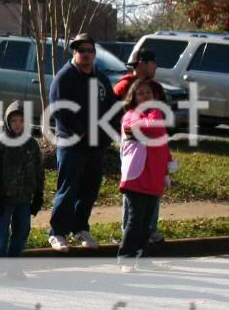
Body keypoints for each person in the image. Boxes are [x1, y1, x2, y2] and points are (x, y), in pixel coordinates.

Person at [46, 33, 118, 252]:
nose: (86, 54)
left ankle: (80, 228)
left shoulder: (102, 79)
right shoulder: (65, 77)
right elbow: (59, 110)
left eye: (89, 50)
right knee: (68, 189)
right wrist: (82, 132)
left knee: (89, 189)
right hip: (72, 144)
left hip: (97, 145)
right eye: (81, 50)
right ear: (74, 53)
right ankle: (57, 232)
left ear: (94, 54)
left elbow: (113, 108)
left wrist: (109, 133)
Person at [118, 79, 173, 270]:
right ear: (133, 97)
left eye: (148, 93)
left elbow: (162, 142)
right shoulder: (130, 116)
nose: (145, 96)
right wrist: (155, 113)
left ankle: (142, 257)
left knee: (147, 224)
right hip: (136, 176)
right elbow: (151, 127)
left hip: (154, 175)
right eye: (140, 93)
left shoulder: (153, 116)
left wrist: (167, 168)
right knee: (135, 220)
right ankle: (126, 258)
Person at [114, 50, 168, 244]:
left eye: (148, 94)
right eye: (153, 62)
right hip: (132, 149)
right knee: (134, 197)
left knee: (151, 195)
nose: (155, 67)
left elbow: (160, 121)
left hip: (154, 150)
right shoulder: (123, 85)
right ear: (142, 63)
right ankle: (127, 233)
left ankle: (148, 231)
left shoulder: (156, 87)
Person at [0, 100, 44, 269]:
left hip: (25, 199)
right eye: (14, 121)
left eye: (21, 120)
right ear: (7, 122)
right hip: (5, 198)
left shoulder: (32, 144)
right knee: (1, 234)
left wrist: (38, 195)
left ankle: (13, 267)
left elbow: (39, 171)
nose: (18, 124)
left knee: (22, 232)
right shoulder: (0, 144)